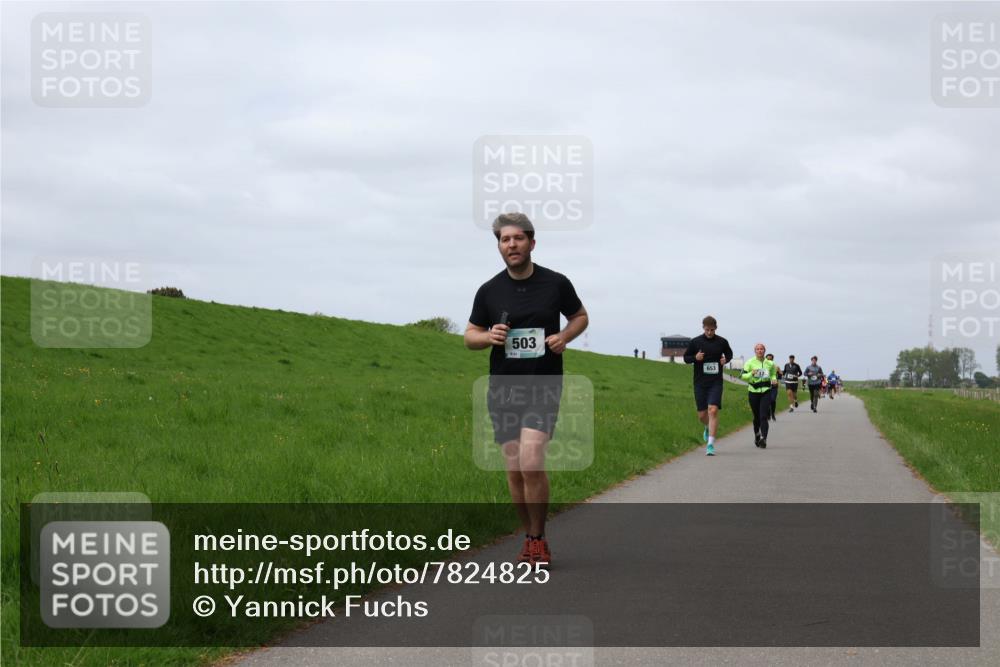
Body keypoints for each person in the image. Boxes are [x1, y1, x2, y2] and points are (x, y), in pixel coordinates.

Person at [465, 212, 588, 567]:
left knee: (532, 461)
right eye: (505, 240)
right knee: (514, 469)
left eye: (518, 238)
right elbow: (469, 336)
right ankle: (529, 537)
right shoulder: (489, 291)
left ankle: (538, 538)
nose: (512, 245)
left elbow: (580, 316)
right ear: (499, 247)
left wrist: (565, 336)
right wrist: (488, 336)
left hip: (543, 384)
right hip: (503, 387)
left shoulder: (556, 283)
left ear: (532, 243)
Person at [682, 315, 734, 456]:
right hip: (700, 382)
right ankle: (706, 426)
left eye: (712, 330)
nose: (709, 332)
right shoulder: (695, 342)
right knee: (702, 415)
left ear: (716, 328)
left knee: (713, 410)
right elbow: (686, 358)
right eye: (707, 330)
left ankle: (710, 444)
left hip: (716, 382)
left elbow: (729, 353)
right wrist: (695, 358)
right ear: (703, 328)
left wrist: (725, 359)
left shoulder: (722, 342)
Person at [741, 343, 778, 447]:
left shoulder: (770, 363)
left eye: (761, 349)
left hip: (766, 391)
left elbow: (773, 374)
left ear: (764, 351)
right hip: (753, 391)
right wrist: (751, 374)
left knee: (763, 416)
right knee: (756, 417)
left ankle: (764, 439)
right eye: (757, 349)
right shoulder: (749, 362)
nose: (760, 351)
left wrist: (774, 379)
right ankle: (757, 434)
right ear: (755, 351)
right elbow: (743, 376)